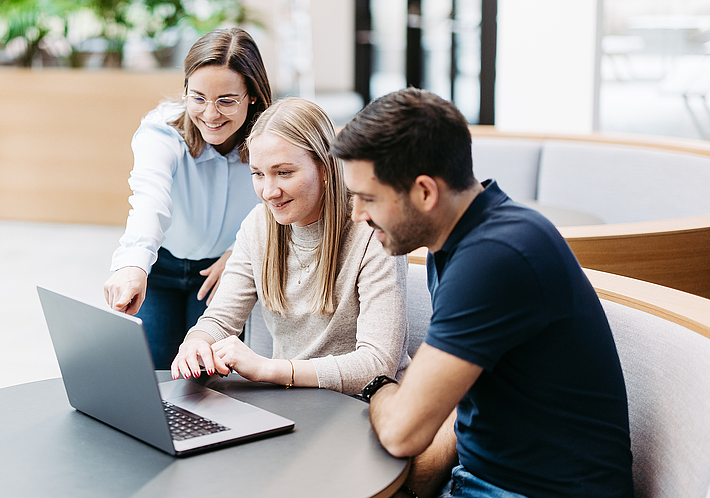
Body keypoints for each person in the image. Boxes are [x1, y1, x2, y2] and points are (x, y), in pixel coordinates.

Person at [333, 87, 634, 497]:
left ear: (425, 192)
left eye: (368, 198)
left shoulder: (493, 257)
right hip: (486, 479)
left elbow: (403, 431)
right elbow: (453, 405)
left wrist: (379, 387)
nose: (357, 215)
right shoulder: (465, 238)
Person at [169, 97, 410, 395]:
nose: (269, 192)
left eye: (284, 173)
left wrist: (269, 369)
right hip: (293, 401)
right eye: (258, 173)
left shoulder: (372, 231)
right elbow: (220, 319)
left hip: (364, 406)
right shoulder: (259, 225)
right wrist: (197, 342)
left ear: (324, 167)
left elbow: (377, 365)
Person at [103, 28, 272, 369]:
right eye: (198, 98)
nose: (210, 115)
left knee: (206, 377)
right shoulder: (162, 131)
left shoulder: (272, 136)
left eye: (226, 100)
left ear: (252, 95)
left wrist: (241, 253)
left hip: (224, 271)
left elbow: (282, 205)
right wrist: (133, 264)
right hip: (161, 266)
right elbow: (149, 198)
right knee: (154, 371)